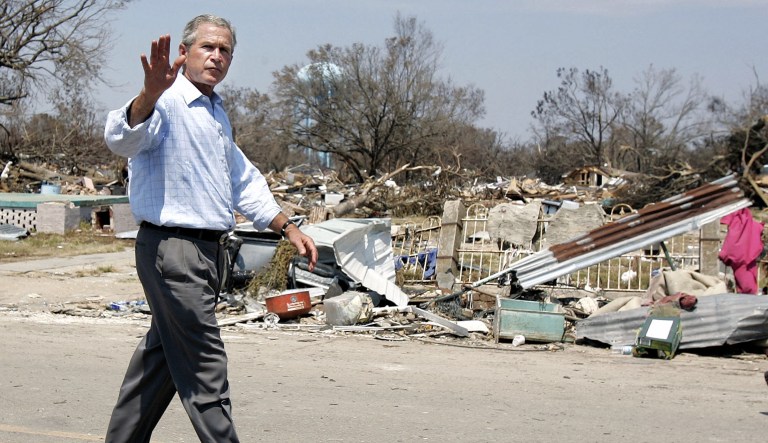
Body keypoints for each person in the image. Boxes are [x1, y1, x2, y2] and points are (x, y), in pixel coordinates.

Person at [103, 14, 317, 442]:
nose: (217, 56)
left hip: (206, 254)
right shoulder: (164, 102)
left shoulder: (215, 113)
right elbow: (121, 137)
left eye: (225, 50)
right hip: (173, 251)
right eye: (208, 47)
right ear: (184, 53)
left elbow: (242, 180)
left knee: (160, 362)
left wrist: (286, 225)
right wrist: (147, 94)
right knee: (205, 365)